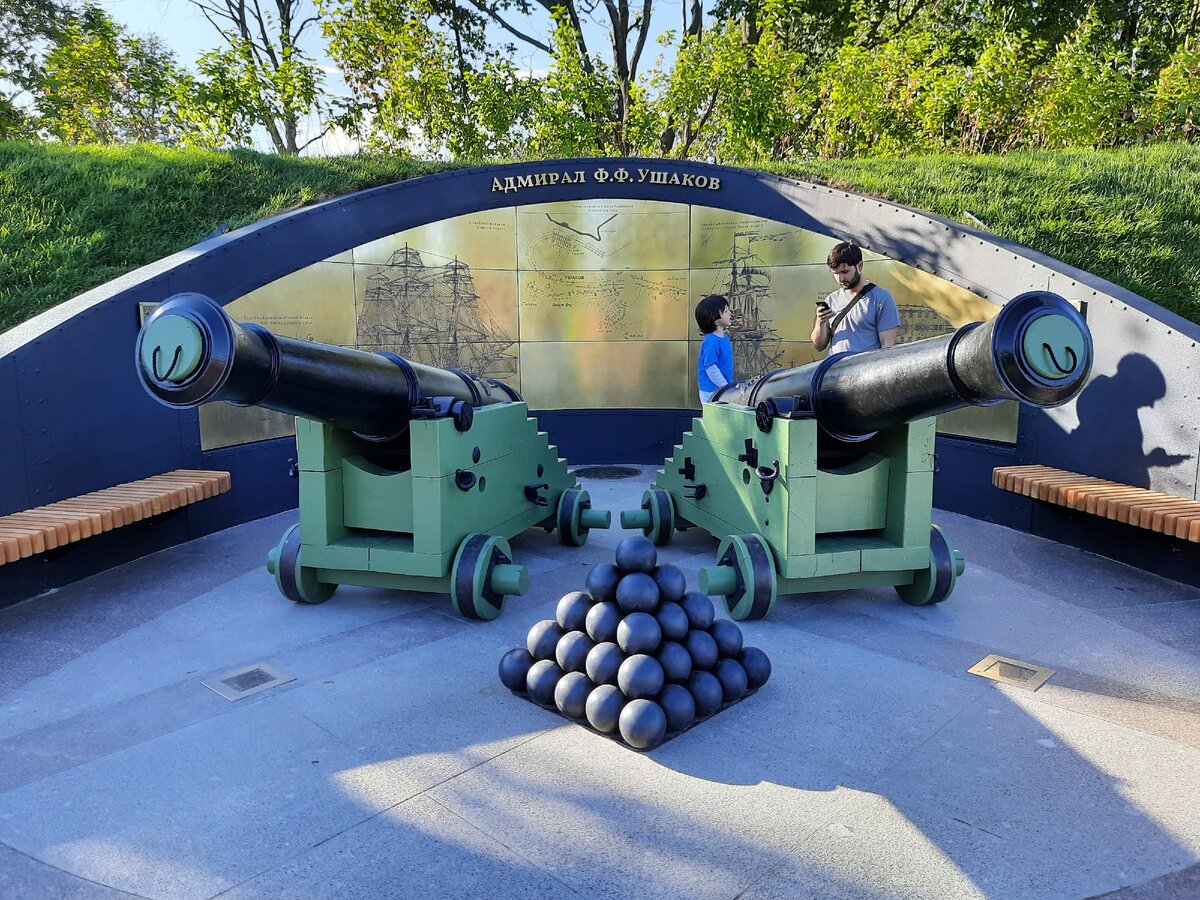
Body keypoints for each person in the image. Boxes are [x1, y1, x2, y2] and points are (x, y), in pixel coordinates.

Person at [811, 242, 900, 355]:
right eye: (835, 273)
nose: (840, 279)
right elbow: (818, 346)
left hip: (865, 370)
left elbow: (887, 348)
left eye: (844, 272)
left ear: (859, 266)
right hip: (833, 370)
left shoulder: (881, 299)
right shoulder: (831, 299)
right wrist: (820, 322)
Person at [695, 293, 733, 403]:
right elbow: (711, 368)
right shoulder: (711, 341)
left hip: (722, 389)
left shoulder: (724, 338)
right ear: (716, 321)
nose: (730, 313)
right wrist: (726, 387)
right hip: (712, 391)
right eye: (726, 311)